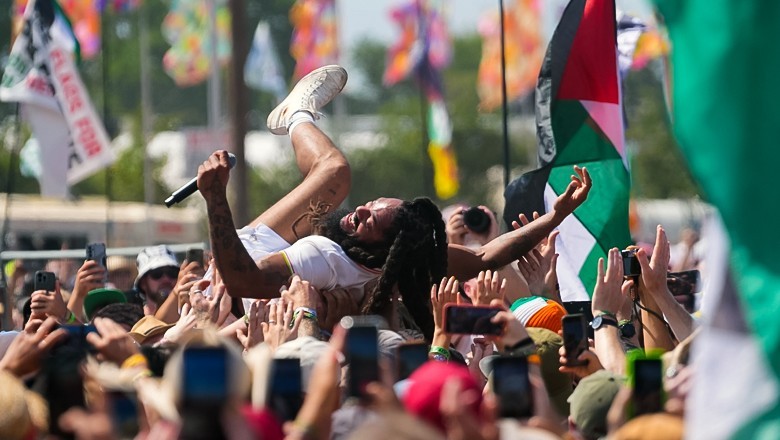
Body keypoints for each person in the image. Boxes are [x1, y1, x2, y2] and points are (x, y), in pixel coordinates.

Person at [198, 65, 592, 339]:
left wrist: (217, 200)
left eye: (369, 222)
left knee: (335, 170)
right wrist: (555, 216)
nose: (359, 211)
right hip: (255, 261)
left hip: (239, 263)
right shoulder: (362, 256)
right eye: (368, 206)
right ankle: (296, 112)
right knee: (336, 173)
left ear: (385, 250)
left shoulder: (323, 257)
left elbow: (241, 280)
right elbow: (487, 256)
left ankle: (298, 114)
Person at [134, 245, 180, 316]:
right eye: (157, 274)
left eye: (172, 273)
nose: (166, 279)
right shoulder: (134, 321)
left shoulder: (189, 316)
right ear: (143, 283)